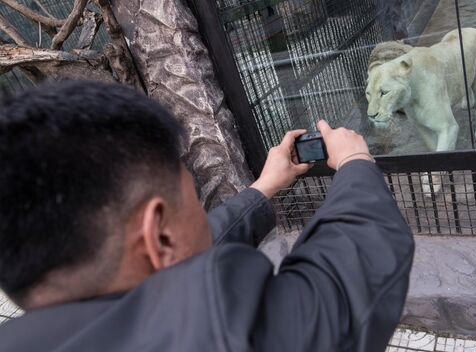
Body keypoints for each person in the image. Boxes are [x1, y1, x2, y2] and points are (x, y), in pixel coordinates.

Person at [0, 81, 414, 351]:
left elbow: (178, 262)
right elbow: (342, 285)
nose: (203, 212)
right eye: (195, 203)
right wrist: (356, 160)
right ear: (158, 237)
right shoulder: (217, 337)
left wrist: (262, 189)